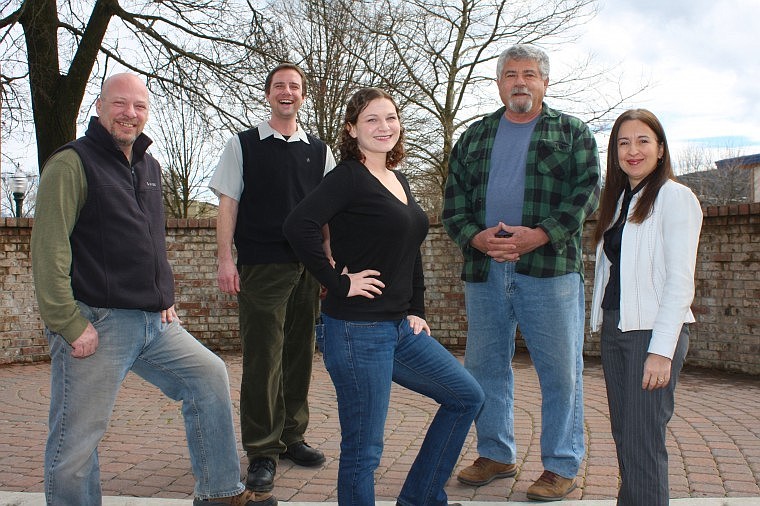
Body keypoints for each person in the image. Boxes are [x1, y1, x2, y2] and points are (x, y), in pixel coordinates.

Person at [31, 73, 273, 506]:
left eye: (139, 106)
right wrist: (68, 323)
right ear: (99, 107)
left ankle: (219, 493)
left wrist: (164, 297)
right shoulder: (71, 163)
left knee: (208, 376)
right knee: (77, 439)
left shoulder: (149, 167)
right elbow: (49, 250)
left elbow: (149, 241)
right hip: (97, 322)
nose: (130, 113)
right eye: (120, 104)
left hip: (154, 323)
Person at [283, 87, 484, 506]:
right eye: (371, 119)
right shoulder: (348, 177)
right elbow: (298, 225)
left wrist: (416, 309)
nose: (383, 126)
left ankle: (421, 498)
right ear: (352, 129)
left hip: (399, 329)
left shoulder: (398, 179)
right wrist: (338, 282)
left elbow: (410, 249)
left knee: (467, 397)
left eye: (390, 117)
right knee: (364, 449)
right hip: (356, 330)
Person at [442, 44, 601, 501]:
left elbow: (587, 192)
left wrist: (541, 234)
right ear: (499, 84)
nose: (520, 82)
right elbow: (453, 202)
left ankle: (561, 465)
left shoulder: (571, 133)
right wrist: (475, 238)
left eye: (529, 74)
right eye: (510, 74)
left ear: (545, 82)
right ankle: (495, 454)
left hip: (549, 270)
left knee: (561, 372)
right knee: (484, 367)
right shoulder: (474, 137)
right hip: (486, 270)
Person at [209, 63, 335, 493]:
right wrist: (225, 260)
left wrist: (328, 259)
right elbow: (228, 205)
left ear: (303, 96)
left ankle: (291, 437)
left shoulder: (319, 151)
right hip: (261, 266)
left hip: (308, 267)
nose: (287, 91)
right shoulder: (243, 144)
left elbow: (326, 212)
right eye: (279, 85)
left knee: (299, 355)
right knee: (264, 358)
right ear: (268, 94)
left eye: (294, 86)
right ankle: (262, 449)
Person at [590, 109, 702, 506]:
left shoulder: (675, 198)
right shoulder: (621, 201)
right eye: (623, 143)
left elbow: (680, 281)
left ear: (660, 148)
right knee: (627, 438)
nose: (632, 150)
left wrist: (661, 351)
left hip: (650, 335)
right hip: (617, 328)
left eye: (642, 141)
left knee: (643, 442)